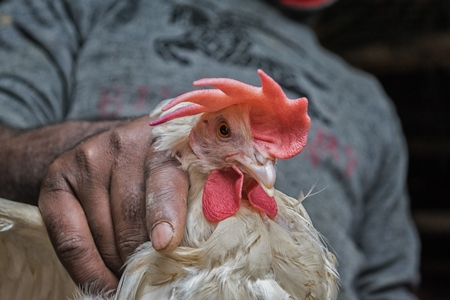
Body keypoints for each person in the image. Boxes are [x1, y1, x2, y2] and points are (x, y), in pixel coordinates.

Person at [0, 0, 420, 299]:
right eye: (222, 129)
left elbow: (388, 284)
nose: (264, 162)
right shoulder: (91, 5)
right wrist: (68, 157)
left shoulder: (370, 102)